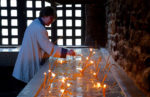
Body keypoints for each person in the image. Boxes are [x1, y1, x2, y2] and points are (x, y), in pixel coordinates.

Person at [12, 7, 76, 84]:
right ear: (45, 15)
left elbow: (43, 45)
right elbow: (50, 49)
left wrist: (47, 45)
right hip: (27, 64)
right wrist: (67, 52)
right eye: (51, 18)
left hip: (24, 63)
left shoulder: (35, 23)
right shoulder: (40, 28)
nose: (51, 21)